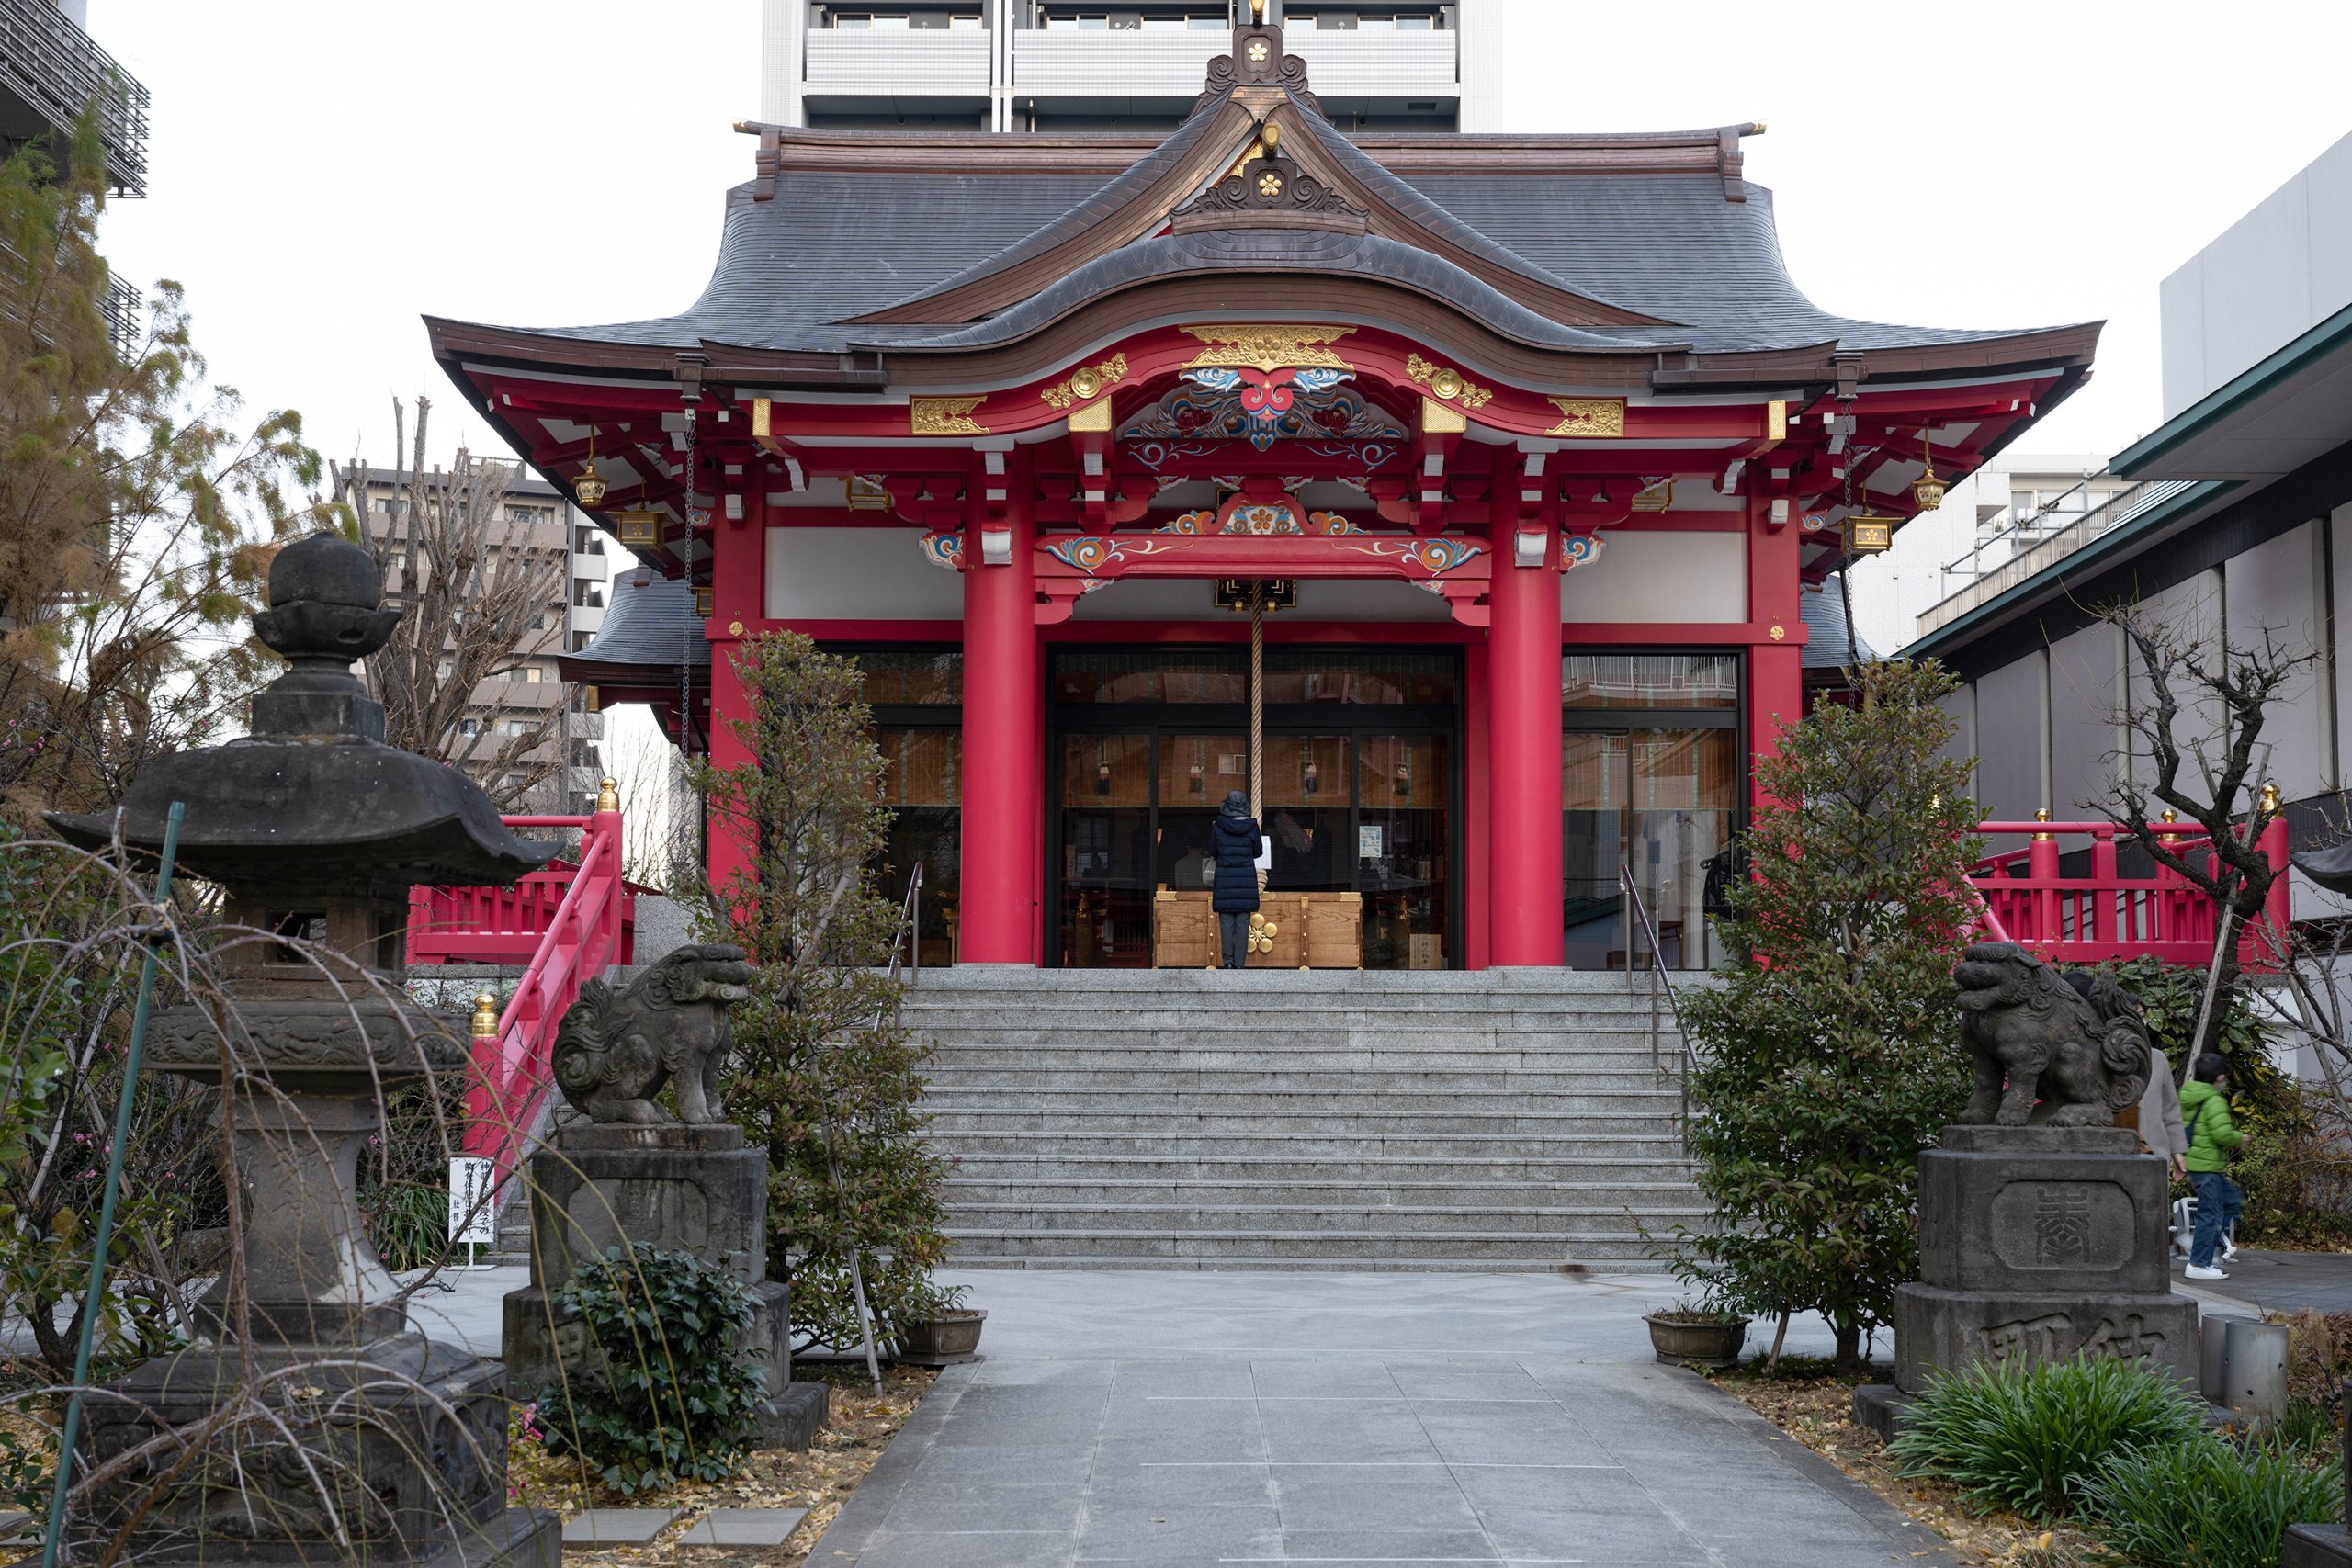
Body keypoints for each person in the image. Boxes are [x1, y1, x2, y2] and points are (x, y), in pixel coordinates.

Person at [2179, 1052, 2245, 1280]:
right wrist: (2240, 1138)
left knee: (2231, 1202)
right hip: (2208, 1167)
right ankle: (2198, 1263)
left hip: (2198, 1165)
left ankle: (2199, 1242)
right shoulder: (2214, 1100)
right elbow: (2221, 1134)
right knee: (2212, 1214)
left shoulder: (2189, 1096)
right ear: (2218, 1078)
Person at [1209, 789, 1265, 971]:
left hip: (1225, 881)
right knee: (1242, 924)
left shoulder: (1218, 827)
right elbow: (1258, 852)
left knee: (1226, 923)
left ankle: (1228, 962)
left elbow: (1213, 851)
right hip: (1245, 882)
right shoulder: (1253, 827)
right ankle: (1240, 964)